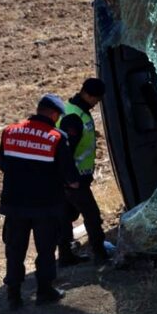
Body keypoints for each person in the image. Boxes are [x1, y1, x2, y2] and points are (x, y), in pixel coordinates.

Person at [0, 94, 79, 310]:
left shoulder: (10, 131)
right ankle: (44, 291)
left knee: (14, 249)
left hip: (14, 204)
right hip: (46, 205)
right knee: (46, 249)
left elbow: (2, 163)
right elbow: (70, 177)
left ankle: (13, 296)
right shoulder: (56, 137)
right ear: (53, 114)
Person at [56, 77, 110, 266]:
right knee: (92, 216)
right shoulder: (74, 117)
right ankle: (100, 254)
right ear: (86, 94)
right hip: (73, 179)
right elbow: (65, 152)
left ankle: (65, 256)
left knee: (65, 217)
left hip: (68, 179)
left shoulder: (73, 110)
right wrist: (71, 180)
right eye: (95, 98)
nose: (97, 103)